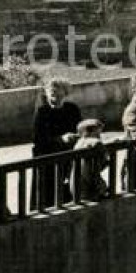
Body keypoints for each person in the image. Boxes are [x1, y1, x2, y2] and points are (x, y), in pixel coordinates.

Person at [31, 78, 81, 208]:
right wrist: (60, 139)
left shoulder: (72, 109)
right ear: (46, 93)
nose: (56, 98)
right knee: (47, 193)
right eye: (52, 94)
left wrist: (75, 136)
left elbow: (80, 128)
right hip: (47, 158)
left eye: (59, 94)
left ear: (65, 93)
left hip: (67, 156)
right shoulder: (42, 112)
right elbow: (38, 139)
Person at [72, 118, 109, 201]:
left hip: (77, 186)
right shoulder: (95, 142)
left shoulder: (79, 142)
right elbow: (104, 160)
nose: (100, 136)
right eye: (98, 133)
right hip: (88, 186)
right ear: (90, 131)